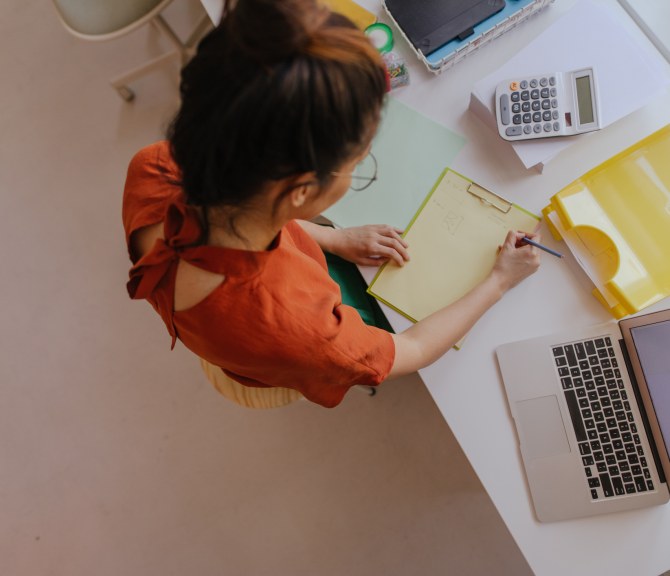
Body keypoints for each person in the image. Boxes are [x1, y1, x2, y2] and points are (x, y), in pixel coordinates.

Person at [122, 0, 541, 408]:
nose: (360, 165)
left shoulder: (157, 167)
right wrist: (499, 281)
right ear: (301, 190)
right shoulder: (303, 328)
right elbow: (409, 349)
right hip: (272, 341)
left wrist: (334, 238)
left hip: (239, 322)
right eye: (359, 162)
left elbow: (243, 216)